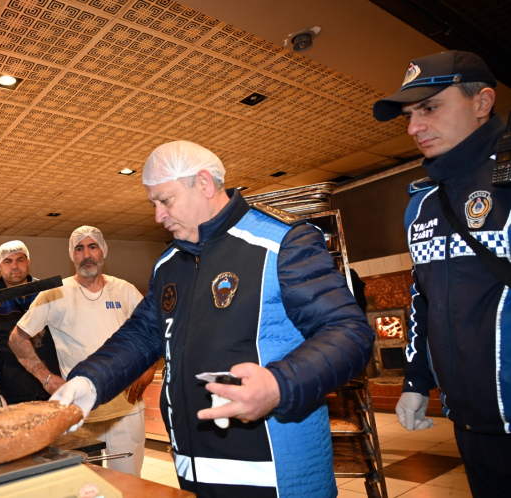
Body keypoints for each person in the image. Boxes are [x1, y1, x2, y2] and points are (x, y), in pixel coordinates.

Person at [52, 141, 374, 497]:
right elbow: (142, 335)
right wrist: (90, 381)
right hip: (195, 470)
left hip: (277, 474)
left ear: (204, 183)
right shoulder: (169, 264)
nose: (158, 216)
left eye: (165, 200)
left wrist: (279, 385)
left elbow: (349, 332)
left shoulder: (282, 242)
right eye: (153, 204)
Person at [373, 50, 511, 496]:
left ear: (482, 102)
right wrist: (417, 380)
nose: (414, 128)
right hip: (470, 424)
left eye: (429, 108)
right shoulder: (423, 203)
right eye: (409, 116)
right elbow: (423, 298)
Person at [9, 226, 155, 477]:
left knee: (128, 485)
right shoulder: (54, 293)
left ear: (103, 251)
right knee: (85, 485)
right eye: (79, 248)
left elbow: (153, 331)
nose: (87, 254)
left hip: (126, 411)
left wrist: (149, 368)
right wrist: (46, 378)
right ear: (72, 255)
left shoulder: (125, 290)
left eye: (92, 247)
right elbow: (17, 338)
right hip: (80, 413)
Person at [0, 241, 60, 407]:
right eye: (8, 261)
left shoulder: (47, 294)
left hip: (52, 388)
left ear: (28, 262)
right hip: (9, 396)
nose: (15, 266)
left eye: (20, 260)